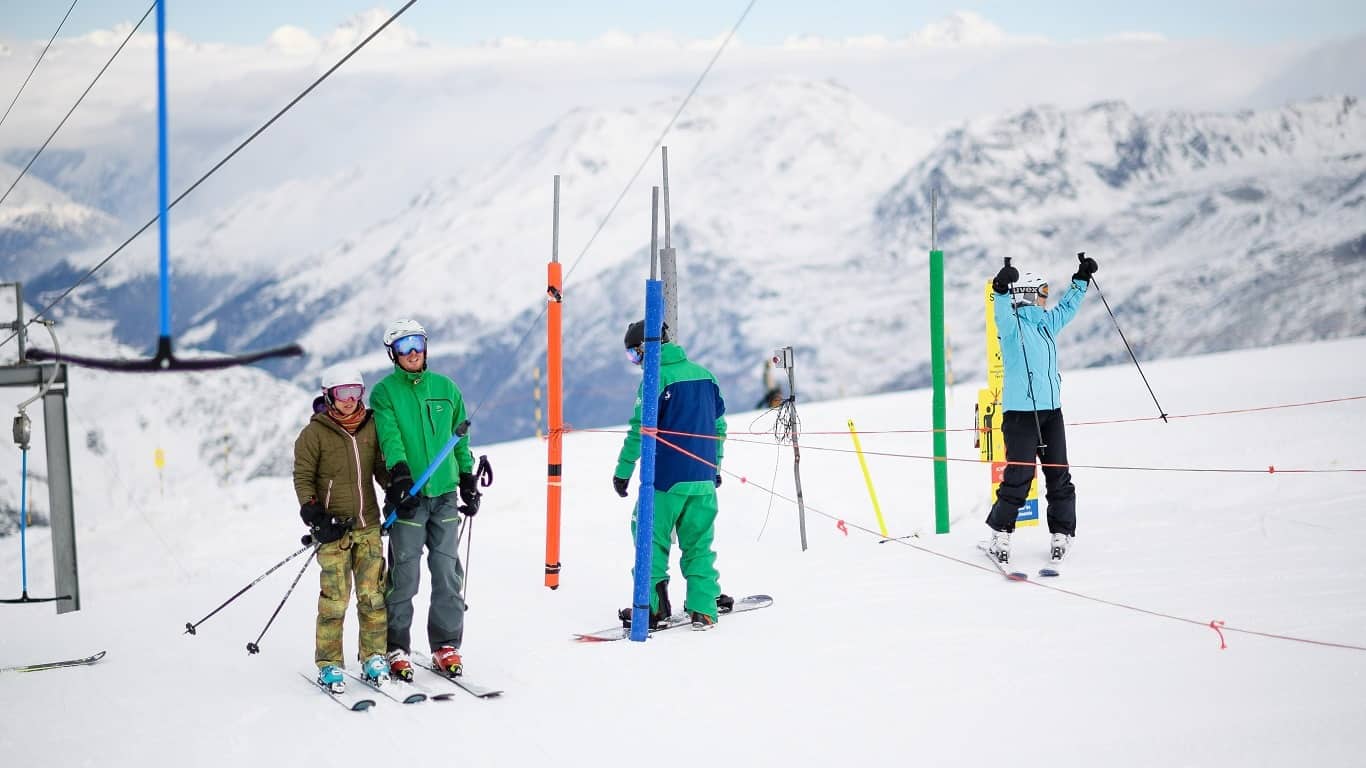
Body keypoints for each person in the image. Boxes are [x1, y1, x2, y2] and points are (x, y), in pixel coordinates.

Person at [371, 318, 481, 680]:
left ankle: (446, 644)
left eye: (417, 343)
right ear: (393, 354)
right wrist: (400, 475)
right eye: (403, 347)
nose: (412, 352)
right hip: (410, 497)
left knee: (447, 573)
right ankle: (395, 646)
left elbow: (460, 440)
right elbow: (389, 436)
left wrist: (466, 478)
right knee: (405, 575)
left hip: (445, 495)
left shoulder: (446, 389)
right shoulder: (385, 393)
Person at [612, 320, 729, 630]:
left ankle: (651, 606)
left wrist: (623, 471)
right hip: (703, 479)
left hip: (665, 480)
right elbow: (718, 427)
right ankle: (704, 606)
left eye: (633, 356)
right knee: (699, 543)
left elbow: (640, 430)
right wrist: (714, 467)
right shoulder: (706, 376)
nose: (635, 364)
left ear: (644, 349)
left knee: (649, 536)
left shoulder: (656, 378)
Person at [984, 255, 1099, 566]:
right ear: (1029, 294)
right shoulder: (1011, 326)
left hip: (1051, 412)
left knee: (1058, 474)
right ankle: (1000, 532)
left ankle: (1062, 533)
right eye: (1043, 292)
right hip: (1020, 414)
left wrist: (1080, 280)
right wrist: (1001, 286)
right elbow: (1000, 307)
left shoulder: (1046, 323)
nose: (1047, 298)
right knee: (1019, 476)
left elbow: (1067, 309)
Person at [293, 368, 392, 693]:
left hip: (368, 526)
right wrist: (315, 515)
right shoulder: (314, 434)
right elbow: (303, 477)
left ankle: (374, 657)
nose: (349, 400)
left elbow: (380, 467)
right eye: (341, 392)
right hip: (334, 531)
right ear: (328, 395)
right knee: (335, 600)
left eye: (355, 391)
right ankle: (330, 663)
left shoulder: (370, 426)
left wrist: (395, 489)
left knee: (373, 596)